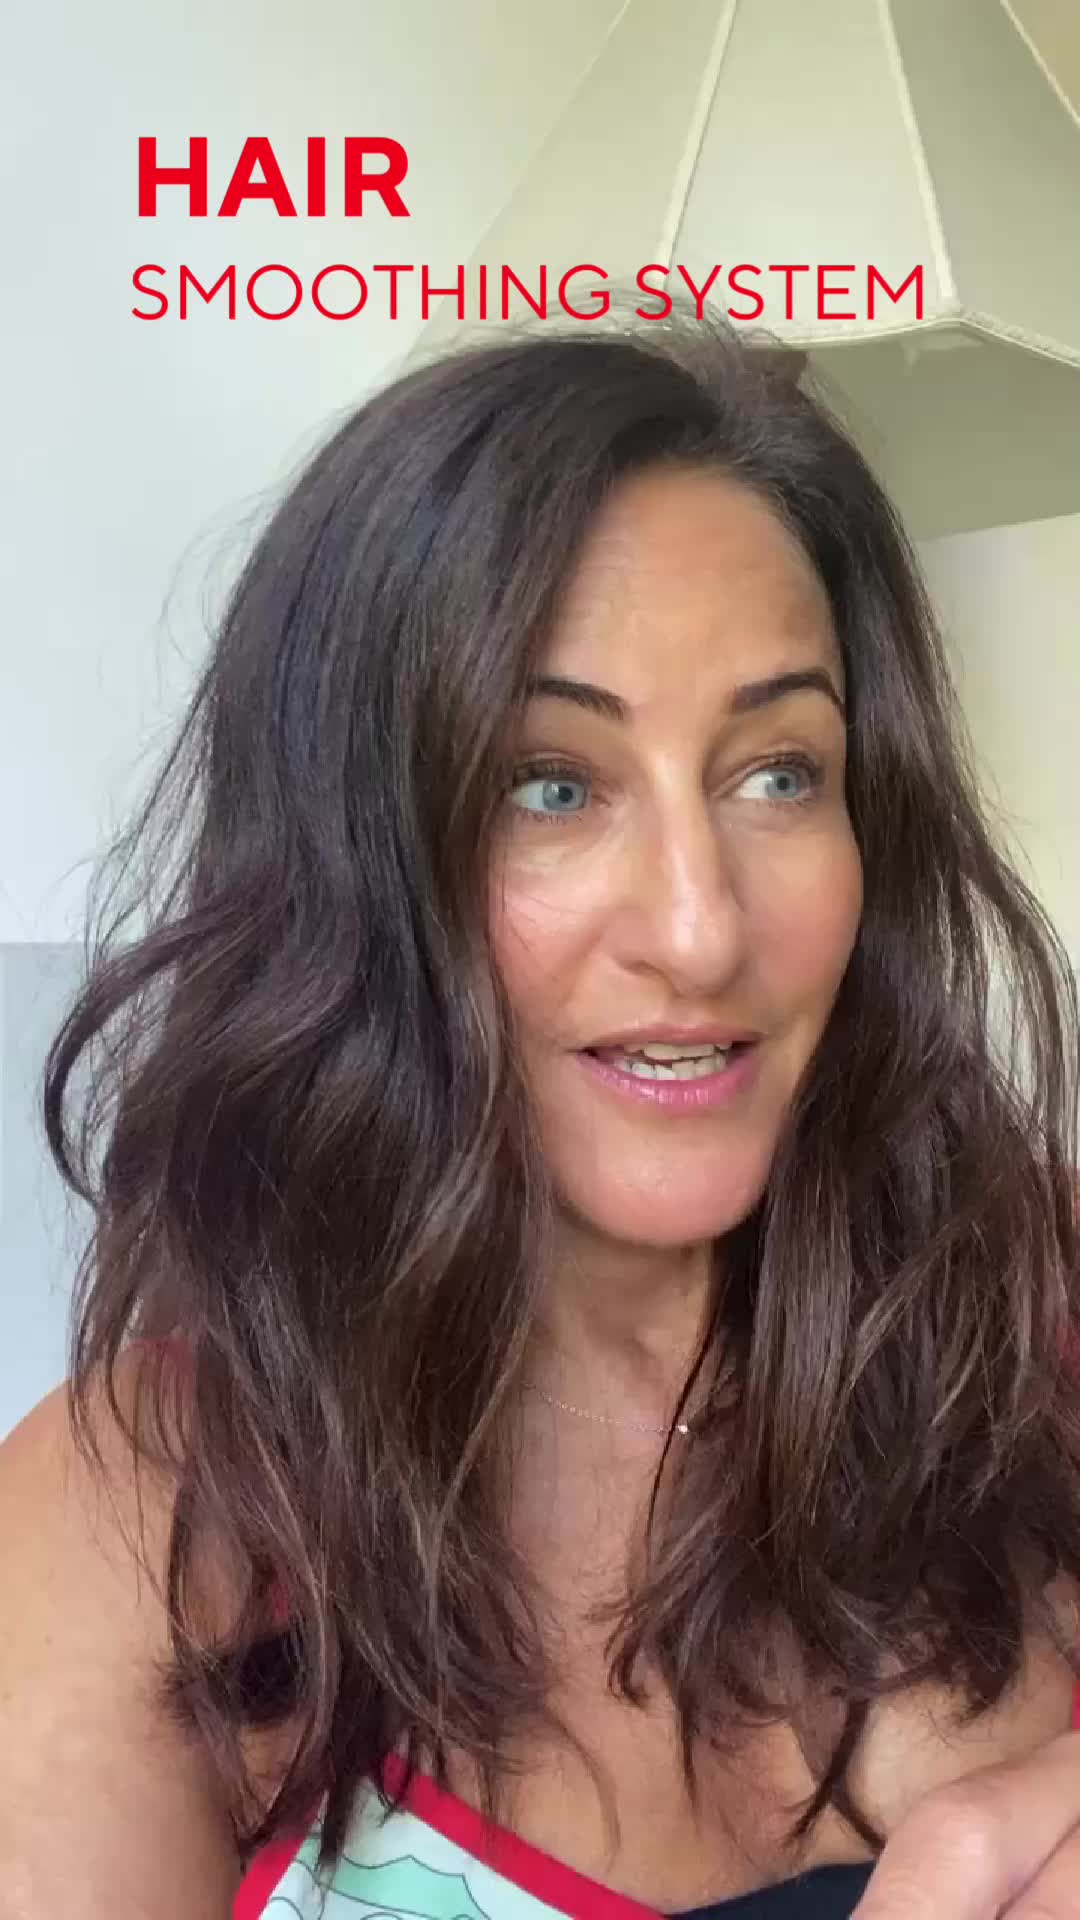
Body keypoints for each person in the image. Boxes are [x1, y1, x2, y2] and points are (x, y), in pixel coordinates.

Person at [3, 316, 1080, 1920]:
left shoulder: (1032, 1320)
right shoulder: (143, 1518)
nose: (701, 931)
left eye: (779, 772)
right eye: (551, 784)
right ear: (356, 867)